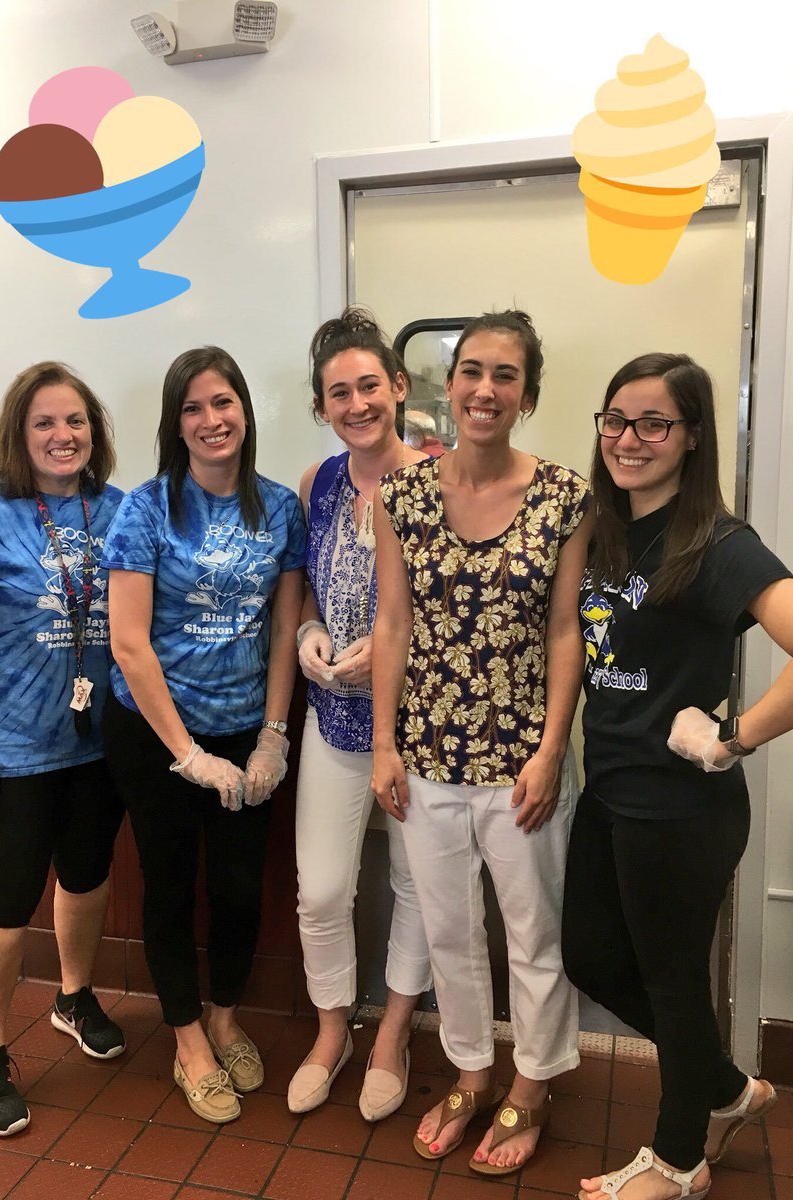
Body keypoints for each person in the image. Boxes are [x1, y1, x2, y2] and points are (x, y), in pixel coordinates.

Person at [564, 353, 793, 1200]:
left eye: (653, 424)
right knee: (592, 960)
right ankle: (720, 1086)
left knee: (673, 979)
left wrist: (734, 736)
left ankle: (679, 1162)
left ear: (692, 436)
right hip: (609, 791)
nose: (628, 439)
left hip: (680, 807)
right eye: (616, 420)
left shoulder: (716, 542)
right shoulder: (605, 526)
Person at [372, 310, 592, 1176]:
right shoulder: (402, 495)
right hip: (425, 755)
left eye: (505, 375)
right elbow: (393, 623)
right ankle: (470, 1069)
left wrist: (549, 750)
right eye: (471, 371)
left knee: (533, 933)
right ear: (448, 384)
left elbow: (566, 630)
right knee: (450, 930)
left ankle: (533, 1082)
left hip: (523, 765)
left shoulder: (564, 495)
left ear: (527, 394)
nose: (484, 389)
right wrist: (386, 745)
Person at [0, 362, 126, 1137]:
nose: (62, 435)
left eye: (75, 421)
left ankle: (73, 998)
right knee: (4, 903)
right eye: (45, 422)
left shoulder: (118, 510)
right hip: (8, 752)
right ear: (18, 432)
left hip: (99, 745)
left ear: (94, 431)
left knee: (87, 874)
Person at [101, 346, 304, 1126]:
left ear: (245, 412)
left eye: (223, 403)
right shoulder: (148, 507)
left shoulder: (279, 505)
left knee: (240, 886)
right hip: (156, 733)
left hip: (247, 723)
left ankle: (225, 1015)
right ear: (174, 424)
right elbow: (129, 643)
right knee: (170, 883)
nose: (211, 420)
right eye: (193, 408)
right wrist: (186, 754)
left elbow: (286, 624)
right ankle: (187, 1040)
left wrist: (273, 736)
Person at [288, 309, 432, 1120]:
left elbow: (452, 610)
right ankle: (333, 1027)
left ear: (398, 386)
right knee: (323, 889)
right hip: (331, 723)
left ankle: (395, 1032)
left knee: (417, 884)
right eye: (338, 392)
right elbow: (308, 587)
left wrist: (390, 654)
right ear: (322, 405)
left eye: (369, 385)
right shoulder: (319, 483)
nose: (356, 403)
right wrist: (310, 630)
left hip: (418, 727)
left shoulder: (440, 482)